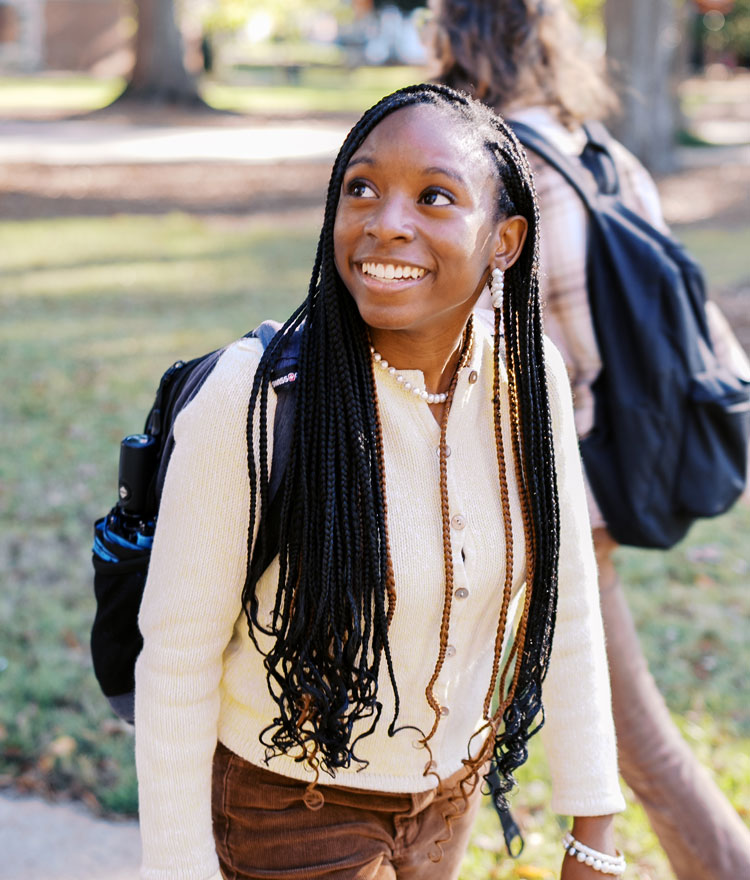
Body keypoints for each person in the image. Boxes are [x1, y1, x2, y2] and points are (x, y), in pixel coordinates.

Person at [134, 83, 627, 880]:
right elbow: (176, 661)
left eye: (435, 196)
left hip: (448, 801)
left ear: (505, 240)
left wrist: (592, 827)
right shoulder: (254, 400)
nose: (385, 220)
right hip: (288, 803)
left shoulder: (527, 379)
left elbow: (563, 604)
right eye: (361, 187)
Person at [427, 2, 750, 879]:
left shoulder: (494, 169)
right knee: (450, 734)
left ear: (459, 42)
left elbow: (513, 361)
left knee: (619, 746)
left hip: (533, 494)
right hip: (597, 484)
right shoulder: (599, 148)